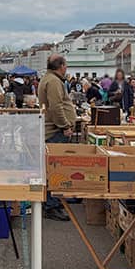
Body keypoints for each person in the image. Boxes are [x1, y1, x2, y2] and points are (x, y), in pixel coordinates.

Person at [37, 54, 76, 221]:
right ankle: (51, 206)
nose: (66, 68)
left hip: (53, 130)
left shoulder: (50, 79)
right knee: (54, 169)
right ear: (61, 66)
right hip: (55, 131)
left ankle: (55, 201)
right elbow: (56, 107)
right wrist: (65, 125)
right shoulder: (53, 81)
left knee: (54, 168)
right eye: (66, 65)